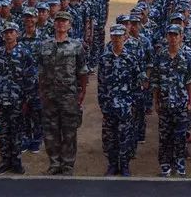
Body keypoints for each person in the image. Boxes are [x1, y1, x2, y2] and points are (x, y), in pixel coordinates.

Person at [37, 11, 89, 176]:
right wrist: (41, 93)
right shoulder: (44, 45)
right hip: (49, 96)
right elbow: (40, 72)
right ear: (54, 24)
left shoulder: (76, 46)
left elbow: (82, 72)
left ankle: (67, 165)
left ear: (70, 25)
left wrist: (81, 94)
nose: (61, 24)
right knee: (50, 132)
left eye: (64, 21)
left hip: (69, 96)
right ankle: (54, 163)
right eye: (58, 21)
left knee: (69, 131)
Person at [150, 24, 191, 177]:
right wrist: (155, 101)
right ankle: (165, 164)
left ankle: (180, 164)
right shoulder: (161, 55)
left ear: (181, 37)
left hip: (181, 103)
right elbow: (155, 80)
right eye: (170, 35)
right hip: (164, 104)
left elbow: (190, 81)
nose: (173, 38)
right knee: (165, 137)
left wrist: (190, 102)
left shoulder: (188, 56)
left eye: (175, 35)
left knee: (180, 136)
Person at [0, 22, 35, 175]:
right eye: (6, 32)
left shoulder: (24, 53)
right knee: (3, 134)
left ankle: (16, 163)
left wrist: (26, 100)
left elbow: (30, 79)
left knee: (16, 133)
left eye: (11, 32)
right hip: (1, 100)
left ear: (17, 34)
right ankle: (5, 162)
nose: (8, 35)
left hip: (18, 101)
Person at [97, 24, 137, 176]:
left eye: (120, 36)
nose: (117, 39)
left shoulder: (130, 58)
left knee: (124, 137)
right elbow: (101, 83)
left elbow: (136, 83)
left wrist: (131, 103)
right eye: (114, 37)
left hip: (125, 106)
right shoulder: (104, 59)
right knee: (110, 138)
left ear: (124, 37)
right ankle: (112, 165)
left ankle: (125, 165)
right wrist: (102, 103)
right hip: (109, 105)